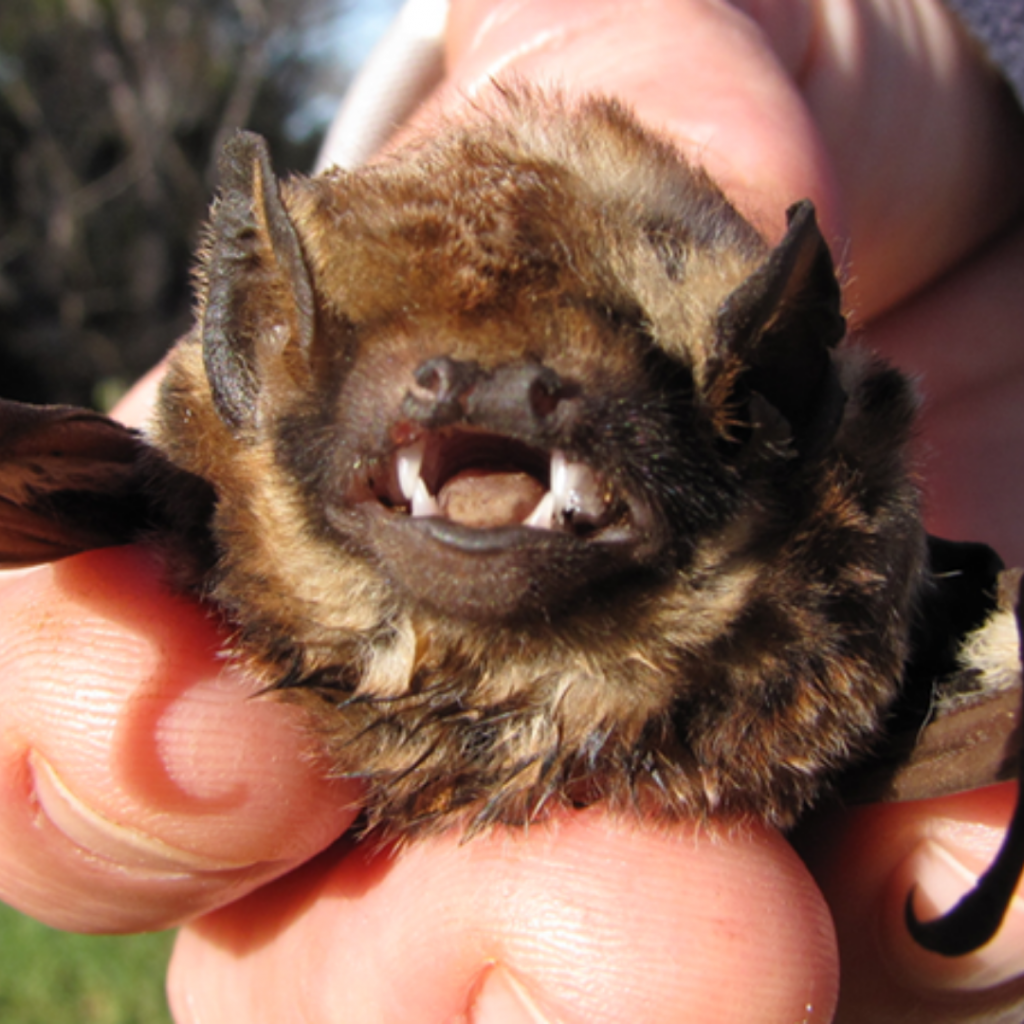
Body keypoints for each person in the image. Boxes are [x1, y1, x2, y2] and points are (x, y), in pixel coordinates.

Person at [2, 0, 1023, 1020]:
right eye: (427, 383)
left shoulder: (800, 555)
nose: (472, 401)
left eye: (556, 393)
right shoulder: (224, 494)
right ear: (258, 352)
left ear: (764, 401)